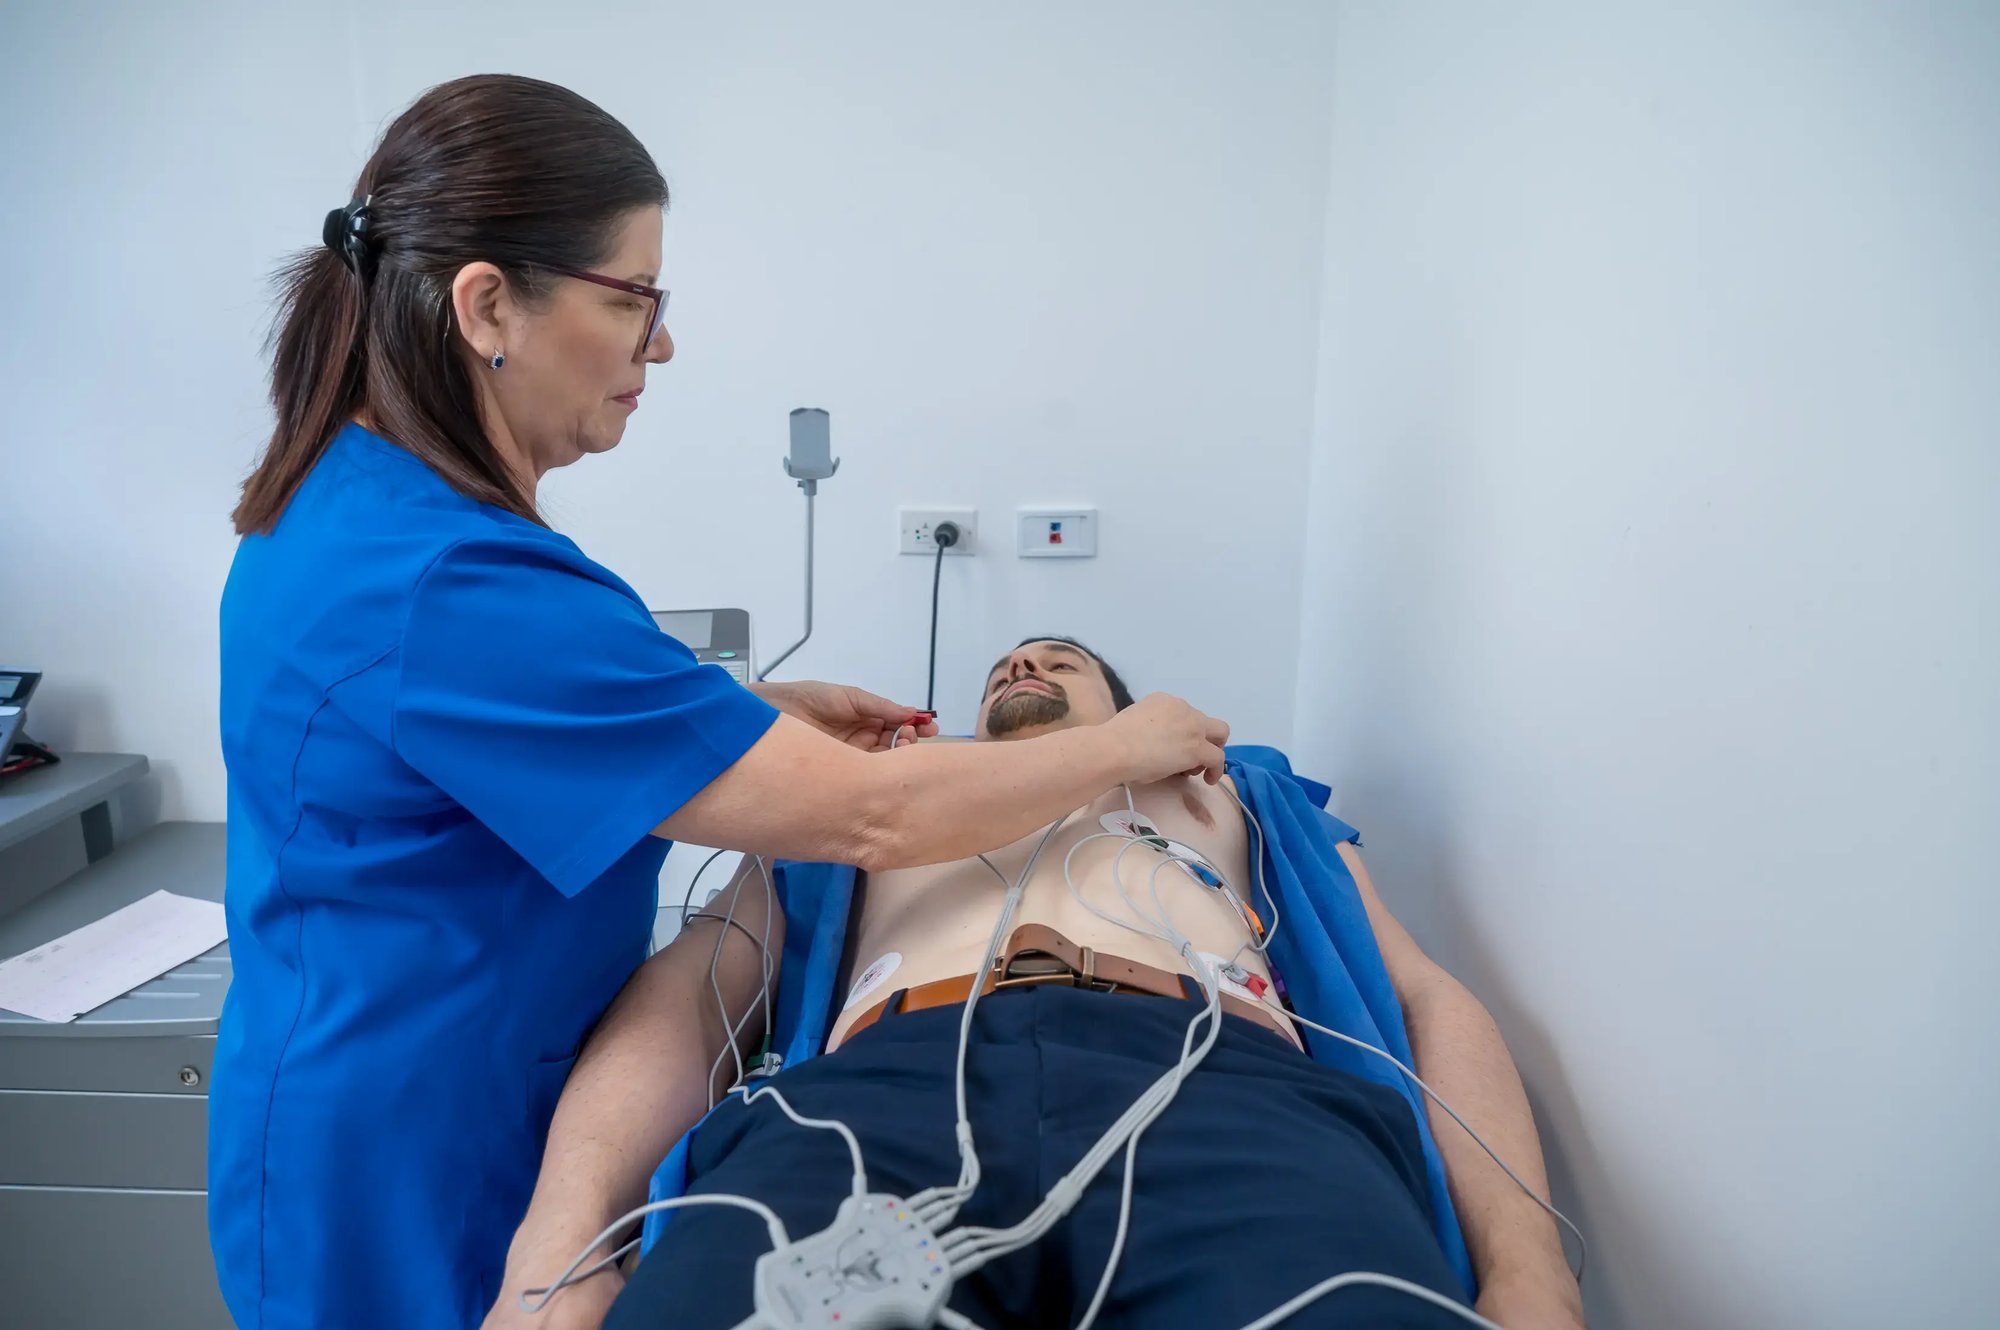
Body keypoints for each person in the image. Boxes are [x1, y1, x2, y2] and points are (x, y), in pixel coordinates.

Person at [211, 76, 1228, 1330]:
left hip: (433, 1069)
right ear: (488, 306)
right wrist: (1128, 739)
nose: (662, 345)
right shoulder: (442, 577)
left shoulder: (378, 509)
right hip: (416, 1146)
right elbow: (870, 822)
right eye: (635, 300)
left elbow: (510, 724)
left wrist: (737, 715)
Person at [491, 639, 1587, 1330]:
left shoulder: (1236, 794)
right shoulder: (862, 808)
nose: (1021, 668)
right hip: (877, 1097)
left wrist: (1534, 1277)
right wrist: (550, 1264)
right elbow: (684, 1000)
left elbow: (1425, 1000)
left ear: (1125, 708)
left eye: (1056, 660)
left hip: (1222, 1086)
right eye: (1003, 666)